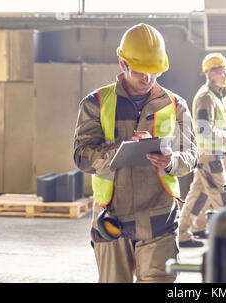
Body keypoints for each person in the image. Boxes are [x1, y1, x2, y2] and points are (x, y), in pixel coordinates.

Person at [73, 23, 198, 283]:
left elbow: (191, 156)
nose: (148, 78)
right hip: (112, 219)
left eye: (154, 71)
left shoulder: (176, 105)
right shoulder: (96, 103)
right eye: (141, 70)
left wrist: (170, 161)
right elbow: (82, 155)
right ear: (122, 64)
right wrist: (122, 150)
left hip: (159, 218)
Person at [178, 53, 226, 247]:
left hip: (209, 154)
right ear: (211, 74)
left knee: (198, 197)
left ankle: (183, 235)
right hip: (209, 155)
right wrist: (225, 136)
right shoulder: (206, 97)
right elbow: (203, 128)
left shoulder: (214, 96)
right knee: (222, 196)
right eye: (222, 72)